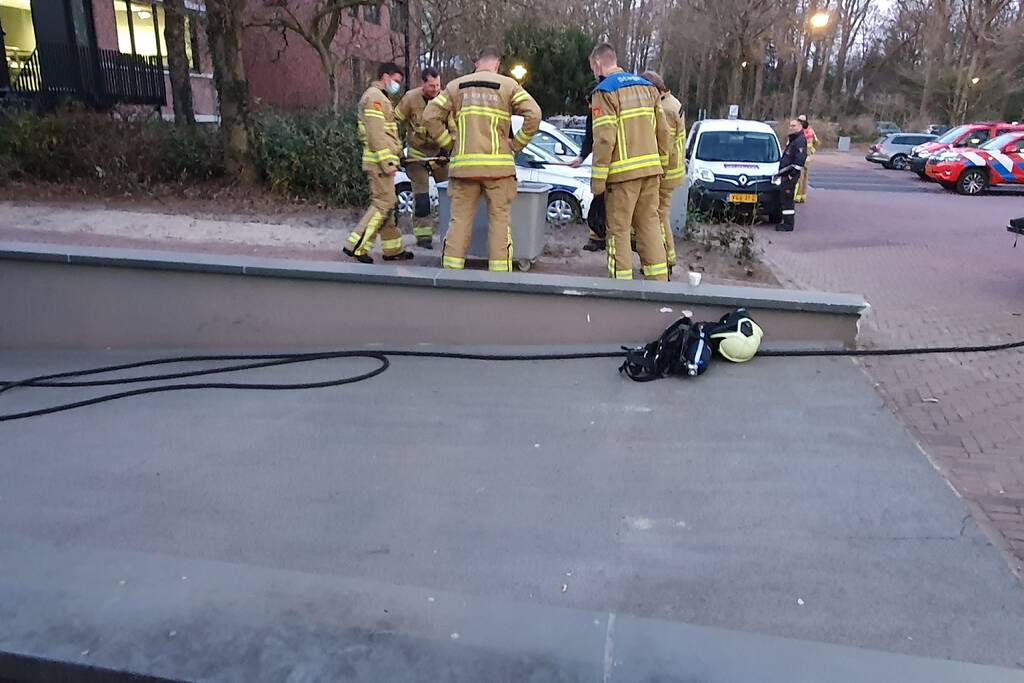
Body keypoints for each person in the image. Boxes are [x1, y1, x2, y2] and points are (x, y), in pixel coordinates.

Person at [422, 46, 541, 272]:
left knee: (459, 222)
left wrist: (450, 144)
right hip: (499, 170)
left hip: (464, 169)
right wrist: (516, 144)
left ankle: (451, 273)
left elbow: (429, 116)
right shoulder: (508, 86)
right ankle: (499, 276)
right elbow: (534, 114)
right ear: (497, 64)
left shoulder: (456, 86)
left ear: (477, 62)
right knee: (499, 222)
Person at [588, 43, 670, 281]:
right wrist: (661, 166)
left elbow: (604, 139)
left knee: (619, 231)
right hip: (651, 172)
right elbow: (664, 132)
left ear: (597, 64)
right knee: (649, 226)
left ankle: (621, 288)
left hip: (622, 176)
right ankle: (659, 284)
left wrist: (598, 182)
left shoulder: (604, 91)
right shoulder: (648, 88)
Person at [344, 62, 414, 263]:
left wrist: (396, 157)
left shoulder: (380, 98)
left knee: (388, 205)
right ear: (386, 76)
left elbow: (385, 134)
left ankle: (393, 249)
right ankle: (356, 245)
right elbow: (376, 134)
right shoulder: (375, 98)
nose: (397, 85)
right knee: (383, 204)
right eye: (396, 81)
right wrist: (387, 163)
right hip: (379, 163)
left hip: (382, 162)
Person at [395, 67, 448, 249]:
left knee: (452, 194)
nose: (435, 89)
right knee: (422, 198)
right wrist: (398, 152)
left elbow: (454, 127)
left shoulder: (446, 99)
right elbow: (394, 122)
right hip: (417, 156)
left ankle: (452, 234)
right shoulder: (410, 99)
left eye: (438, 85)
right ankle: (424, 237)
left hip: (439, 155)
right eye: (431, 86)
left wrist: (447, 151)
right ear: (423, 83)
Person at [641, 70, 684, 271]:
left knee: (658, 216)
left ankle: (665, 257)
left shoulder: (664, 108)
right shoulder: (674, 102)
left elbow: (664, 141)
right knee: (661, 214)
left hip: (666, 172)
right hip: (675, 169)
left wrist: (659, 169)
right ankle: (667, 257)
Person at [569, 83, 606, 252]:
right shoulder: (593, 115)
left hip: (612, 169)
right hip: (601, 169)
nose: (589, 106)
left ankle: (603, 237)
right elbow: (589, 138)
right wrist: (581, 157)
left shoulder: (606, 112)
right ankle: (597, 237)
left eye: (590, 102)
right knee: (598, 205)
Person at [776, 119, 808, 232]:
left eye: (794, 125)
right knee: (785, 200)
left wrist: (791, 174)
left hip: (790, 176)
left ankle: (788, 225)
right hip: (786, 174)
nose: (791, 127)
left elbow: (799, 161)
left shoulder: (799, 141)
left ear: (800, 126)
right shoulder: (794, 139)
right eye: (790, 125)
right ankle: (786, 222)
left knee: (788, 201)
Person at [795, 114, 819, 203]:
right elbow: (816, 142)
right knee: (805, 178)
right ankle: (803, 196)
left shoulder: (800, 132)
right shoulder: (811, 131)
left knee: (799, 177)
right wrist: (811, 152)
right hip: (807, 158)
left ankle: (797, 196)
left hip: (801, 158)